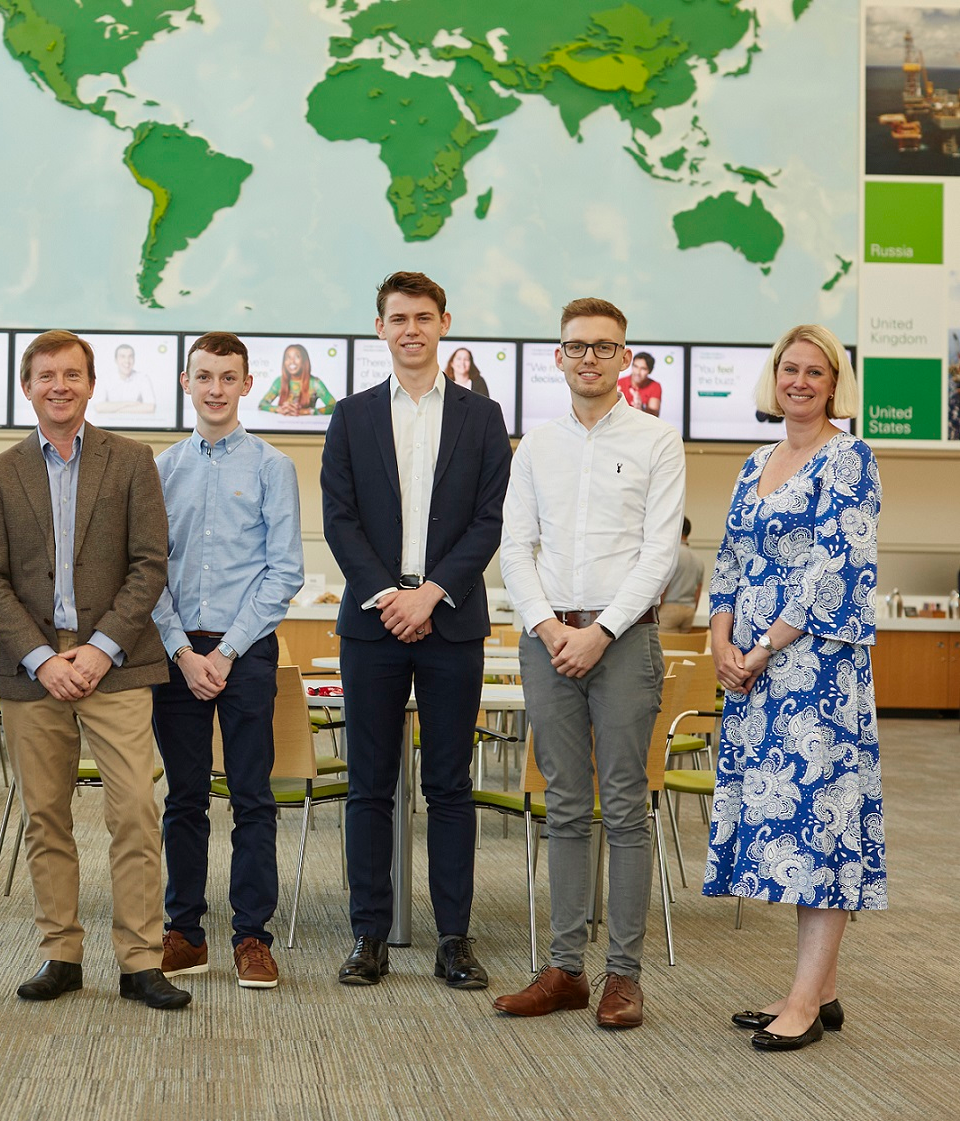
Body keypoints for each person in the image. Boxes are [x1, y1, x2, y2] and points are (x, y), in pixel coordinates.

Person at [0, 329, 190, 1010]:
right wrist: (42, 656)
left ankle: (139, 961)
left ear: (91, 384)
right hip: (32, 668)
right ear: (26, 387)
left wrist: (98, 649)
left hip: (116, 664)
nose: (59, 385)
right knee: (46, 817)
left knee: (133, 810)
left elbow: (149, 564)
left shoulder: (129, 461)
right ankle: (60, 952)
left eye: (71, 374)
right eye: (45, 375)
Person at [494, 297, 685, 1030]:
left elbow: (657, 553)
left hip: (623, 642)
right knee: (567, 805)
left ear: (624, 358)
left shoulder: (654, 441)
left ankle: (623, 978)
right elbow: (516, 548)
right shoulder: (535, 446)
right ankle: (565, 968)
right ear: (558, 356)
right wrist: (546, 625)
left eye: (604, 347)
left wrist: (599, 631)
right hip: (548, 642)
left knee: (627, 807)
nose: (589, 358)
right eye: (577, 346)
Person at [320, 272, 511, 989]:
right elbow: (338, 517)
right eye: (397, 318)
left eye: (423, 317)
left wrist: (430, 592)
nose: (410, 329)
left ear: (443, 323)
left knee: (448, 786)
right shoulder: (350, 415)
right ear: (380, 328)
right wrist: (385, 594)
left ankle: (453, 938)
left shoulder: (481, 417)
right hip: (371, 624)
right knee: (367, 785)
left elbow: (490, 519)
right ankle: (368, 933)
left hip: (451, 620)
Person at [704, 324, 884, 1052]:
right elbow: (727, 559)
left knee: (819, 829)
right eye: (789, 368)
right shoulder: (755, 461)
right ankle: (818, 988)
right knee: (782, 828)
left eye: (815, 371)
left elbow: (835, 569)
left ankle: (806, 1000)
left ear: (834, 382)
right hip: (750, 673)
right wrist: (721, 639)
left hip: (816, 677)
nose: (800, 381)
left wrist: (760, 645)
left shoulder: (850, 458)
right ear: (773, 377)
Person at [151, 332, 304, 989]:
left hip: (246, 650)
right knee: (183, 797)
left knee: (251, 797)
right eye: (203, 375)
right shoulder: (158, 470)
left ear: (246, 384)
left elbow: (284, 571)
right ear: (186, 382)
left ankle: (251, 937)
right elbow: (146, 570)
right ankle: (184, 931)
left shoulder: (272, 466)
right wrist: (183, 650)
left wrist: (227, 650)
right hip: (176, 651)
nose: (215, 388)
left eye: (227, 377)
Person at [259, 344, 336, 416]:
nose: (292, 362)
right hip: (281, 426)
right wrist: (279, 409)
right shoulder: (279, 381)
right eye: (288, 358)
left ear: (304, 361)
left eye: (297, 357)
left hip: (307, 428)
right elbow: (262, 405)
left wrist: (305, 412)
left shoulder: (315, 383)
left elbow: (334, 407)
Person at [660, 517, 704, 633]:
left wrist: (657, 608)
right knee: (684, 649)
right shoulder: (698, 559)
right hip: (689, 610)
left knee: (665, 649)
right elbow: (698, 591)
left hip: (669, 608)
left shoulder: (672, 555)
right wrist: (693, 609)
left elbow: (664, 584)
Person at [94, 342, 156, 414]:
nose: (127, 361)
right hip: (109, 423)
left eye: (130, 356)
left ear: (134, 359)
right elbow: (99, 407)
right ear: (116, 360)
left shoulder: (143, 378)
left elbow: (150, 408)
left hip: (137, 423)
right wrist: (128, 403)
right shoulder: (105, 378)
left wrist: (114, 410)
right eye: (122, 356)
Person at [619, 351, 663, 417]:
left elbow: (655, 416)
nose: (638, 372)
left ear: (650, 371)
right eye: (635, 366)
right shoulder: (619, 383)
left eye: (643, 369)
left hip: (644, 425)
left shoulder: (655, 386)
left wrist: (641, 408)